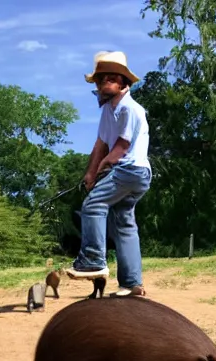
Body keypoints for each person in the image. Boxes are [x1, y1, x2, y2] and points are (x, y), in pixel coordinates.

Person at [66, 50, 152, 298]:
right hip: (131, 174)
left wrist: (103, 168)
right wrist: (90, 174)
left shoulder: (131, 109)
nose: (104, 83)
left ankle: (93, 259)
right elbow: (100, 144)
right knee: (124, 223)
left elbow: (121, 147)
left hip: (131, 169)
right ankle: (132, 283)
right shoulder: (107, 110)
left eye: (110, 78)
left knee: (93, 205)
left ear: (123, 82)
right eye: (101, 79)